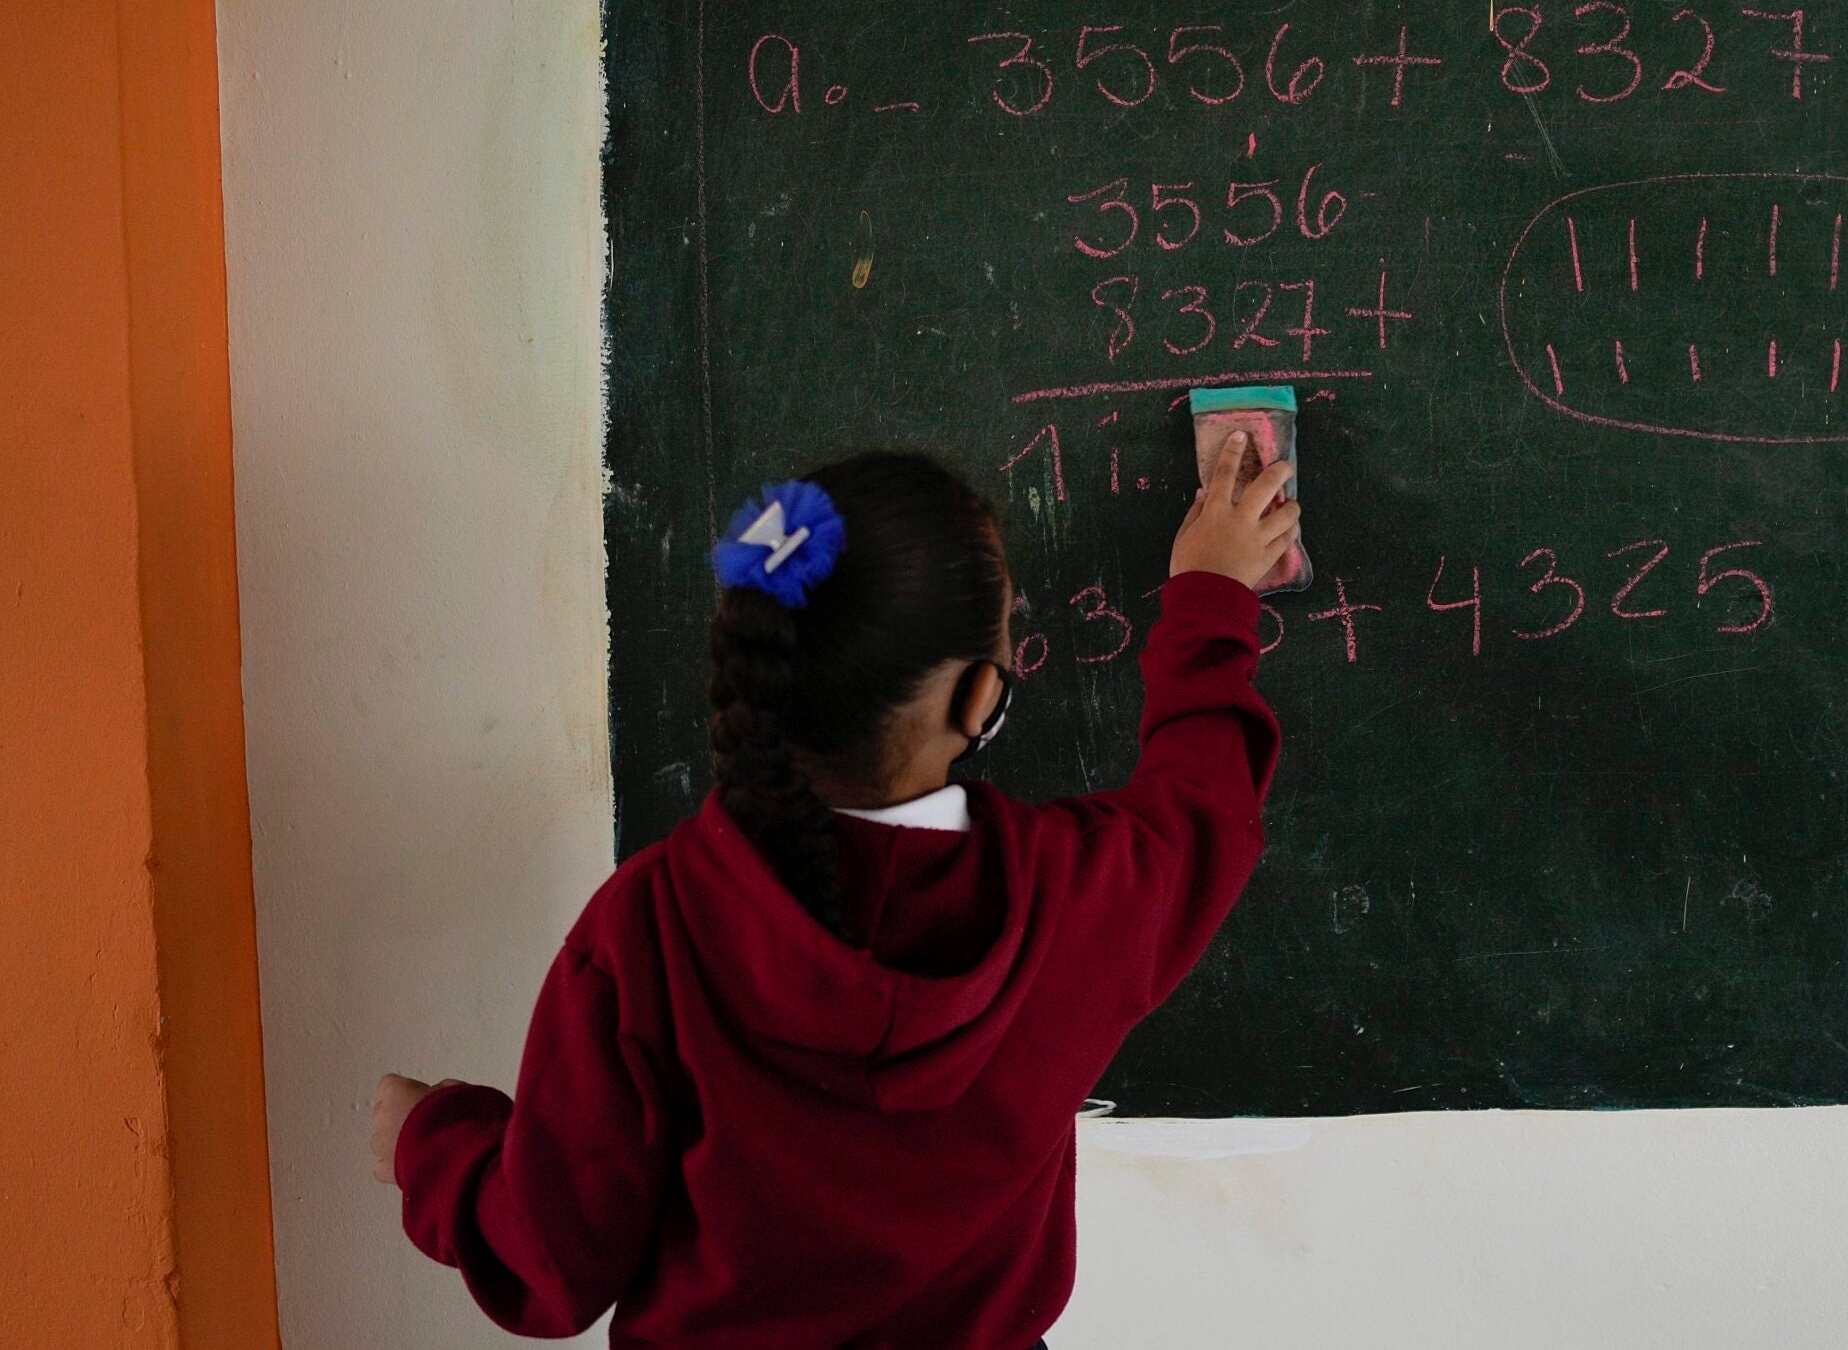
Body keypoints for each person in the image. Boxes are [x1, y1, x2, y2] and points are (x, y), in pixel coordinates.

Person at [371, 435, 1299, 1347]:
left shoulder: (651, 926)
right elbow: (1203, 801)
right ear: (978, 702)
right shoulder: (1075, 899)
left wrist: (438, 1144)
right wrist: (1212, 596)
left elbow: (553, 1263)